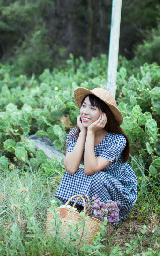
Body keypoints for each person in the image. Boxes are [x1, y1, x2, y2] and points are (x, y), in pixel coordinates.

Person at [55, 87, 137, 221]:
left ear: (104, 115)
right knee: (74, 174)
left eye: (92, 108)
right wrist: (83, 133)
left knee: (97, 178)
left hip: (119, 191)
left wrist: (91, 132)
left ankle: (106, 220)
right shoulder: (75, 134)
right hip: (94, 183)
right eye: (84, 106)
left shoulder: (117, 140)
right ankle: (76, 211)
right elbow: (70, 167)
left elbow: (90, 169)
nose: (85, 112)